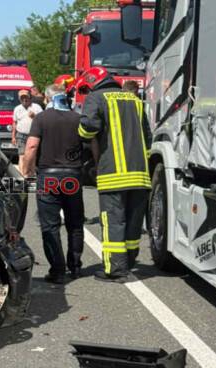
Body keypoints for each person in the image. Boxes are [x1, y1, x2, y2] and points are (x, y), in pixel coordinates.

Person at [76, 67, 152, 283]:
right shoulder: (135, 101)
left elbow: (88, 128)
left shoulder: (96, 98)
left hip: (113, 174)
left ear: (92, 82)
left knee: (113, 222)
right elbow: (147, 138)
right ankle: (128, 262)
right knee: (133, 222)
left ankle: (115, 269)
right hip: (140, 175)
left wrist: (82, 135)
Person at [20, 85, 85, 283]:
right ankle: (74, 266)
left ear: (48, 99)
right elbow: (93, 145)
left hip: (48, 176)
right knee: (75, 224)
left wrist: (27, 170)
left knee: (50, 226)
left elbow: (31, 146)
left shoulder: (41, 118)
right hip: (72, 176)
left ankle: (57, 270)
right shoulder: (77, 118)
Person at [12, 89, 43, 164]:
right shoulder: (17, 108)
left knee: (31, 155)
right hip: (21, 135)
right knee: (22, 156)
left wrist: (34, 116)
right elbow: (14, 122)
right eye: (22, 98)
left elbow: (43, 121)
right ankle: (22, 174)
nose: (24, 99)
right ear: (19, 99)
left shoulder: (37, 107)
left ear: (30, 97)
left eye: (26, 97)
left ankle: (30, 172)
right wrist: (13, 136)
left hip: (33, 135)